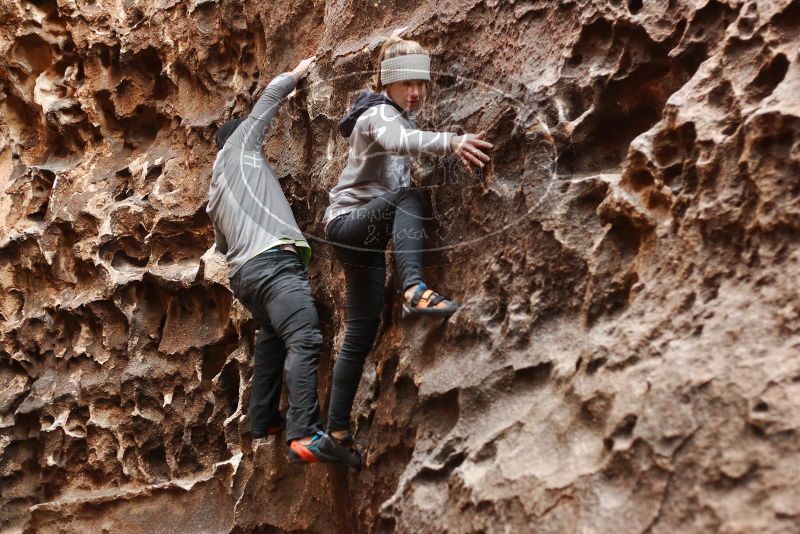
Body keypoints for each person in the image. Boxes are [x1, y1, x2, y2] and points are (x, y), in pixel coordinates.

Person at [323, 32, 493, 449]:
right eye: (407, 84)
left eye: (422, 84)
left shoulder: (396, 114)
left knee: (361, 330)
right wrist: (452, 141)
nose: (416, 92)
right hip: (350, 224)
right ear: (386, 83)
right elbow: (402, 142)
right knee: (409, 197)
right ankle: (414, 288)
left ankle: (336, 432)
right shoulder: (378, 114)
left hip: (361, 236)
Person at [207, 56, 361, 468]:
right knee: (305, 337)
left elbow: (222, 247)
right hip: (274, 265)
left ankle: (262, 420)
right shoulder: (240, 149)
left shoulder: (215, 193)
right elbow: (270, 98)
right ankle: (304, 433)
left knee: (272, 338)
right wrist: (297, 72)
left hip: (245, 278)